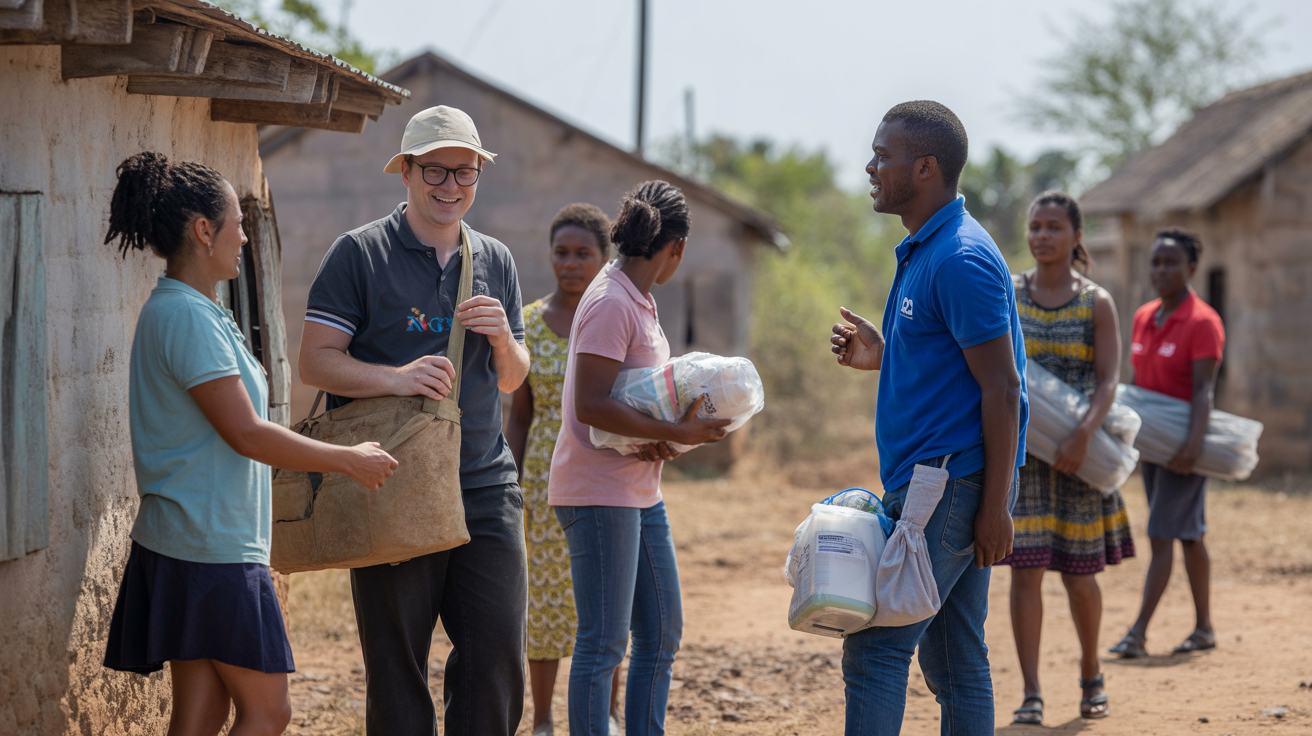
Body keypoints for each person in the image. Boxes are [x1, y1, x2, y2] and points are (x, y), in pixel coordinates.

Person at [101, 152, 398, 736]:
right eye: (236, 222)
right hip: (210, 546)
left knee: (201, 713)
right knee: (268, 712)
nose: (244, 234)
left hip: (192, 538)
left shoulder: (192, 311)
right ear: (203, 230)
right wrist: (346, 460)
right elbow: (245, 432)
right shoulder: (185, 317)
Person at [297, 106, 531, 735]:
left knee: (497, 659)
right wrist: (396, 379)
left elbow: (512, 378)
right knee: (398, 665)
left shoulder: (497, 260)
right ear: (405, 171)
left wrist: (505, 340)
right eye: (435, 170)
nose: (451, 186)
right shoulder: (359, 254)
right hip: (389, 483)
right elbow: (314, 363)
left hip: (483, 485)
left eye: (465, 172)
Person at [829, 101, 1027, 736]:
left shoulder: (960, 257)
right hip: (942, 481)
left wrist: (994, 507)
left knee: (877, 648)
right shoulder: (927, 248)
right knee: (954, 657)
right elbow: (957, 370)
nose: (870, 166)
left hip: (948, 486)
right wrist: (884, 359)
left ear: (924, 167)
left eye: (883, 156)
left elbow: (1003, 390)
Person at [548, 181, 731, 736]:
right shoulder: (610, 301)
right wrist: (675, 430)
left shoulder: (635, 298)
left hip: (636, 487)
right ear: (674, 248)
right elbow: (591, 403)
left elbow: (629, 396)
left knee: (662, 630)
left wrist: (663, 437)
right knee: (603, 642)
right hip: (598, 492)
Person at [997, 192, 1135, 724]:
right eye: (1035, 226)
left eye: (1054, 227)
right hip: (1025, 460)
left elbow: (1108, 380)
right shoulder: (1008, 293)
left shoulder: (1095, 301)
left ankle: (1090, 672)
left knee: (1080, 576)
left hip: (1082, 458)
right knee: (1025, 574)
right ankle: (1031, 693)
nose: (1041, 236)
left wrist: (1082, 434)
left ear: (1077, 236)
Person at [506, 203, 623, 736]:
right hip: (544, 480)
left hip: (606, 470)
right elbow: (522, 414)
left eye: (583, 254)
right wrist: (508, 484)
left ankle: (609, 713)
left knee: (606, 596)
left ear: (605, 258)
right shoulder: (526, 324)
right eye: (562, 253)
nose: (571, 263)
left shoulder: (615, 315)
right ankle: (547, 719)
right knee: (546, 601)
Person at [1109, 228, 1224, 660]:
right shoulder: (1143, 317)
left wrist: (1192, 448)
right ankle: (1205, 628)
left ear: (1192, 268)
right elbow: (1138, 388)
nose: (1161, 270)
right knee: (1189, 535)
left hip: (1186, 448)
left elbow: (1204, 392)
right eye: (1156, 262)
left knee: (1161, 534)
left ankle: (1137, 633)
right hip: (1154, 447)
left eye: (1171, 262)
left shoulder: (1203, 323)